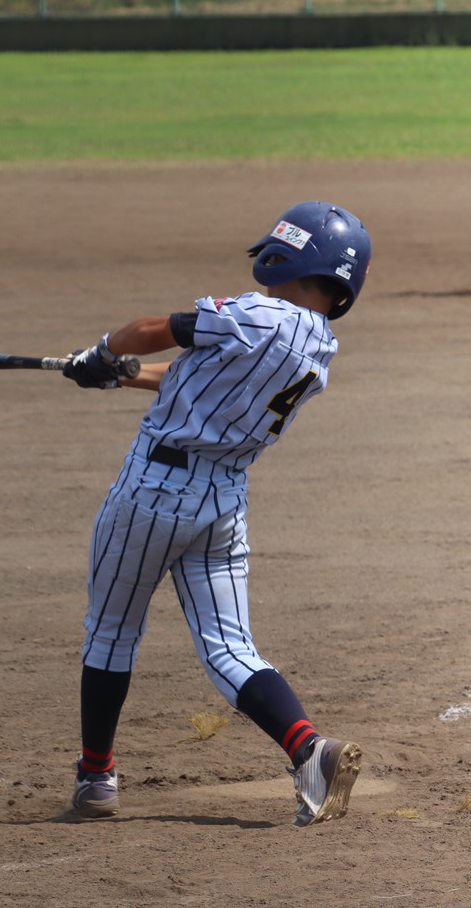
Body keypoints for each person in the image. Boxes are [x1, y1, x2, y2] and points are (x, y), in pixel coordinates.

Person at [60, 201, 372, 827]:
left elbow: (156, 328)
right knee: (230, 647)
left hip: (152, 492)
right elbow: (196, 378)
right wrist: (120, 376)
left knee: (112, 631)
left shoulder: (257, 312)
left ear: (289, 255)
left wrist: (100, 352)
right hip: (222, 501)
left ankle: (97, 776)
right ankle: (310, 751)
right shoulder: (316, 345)